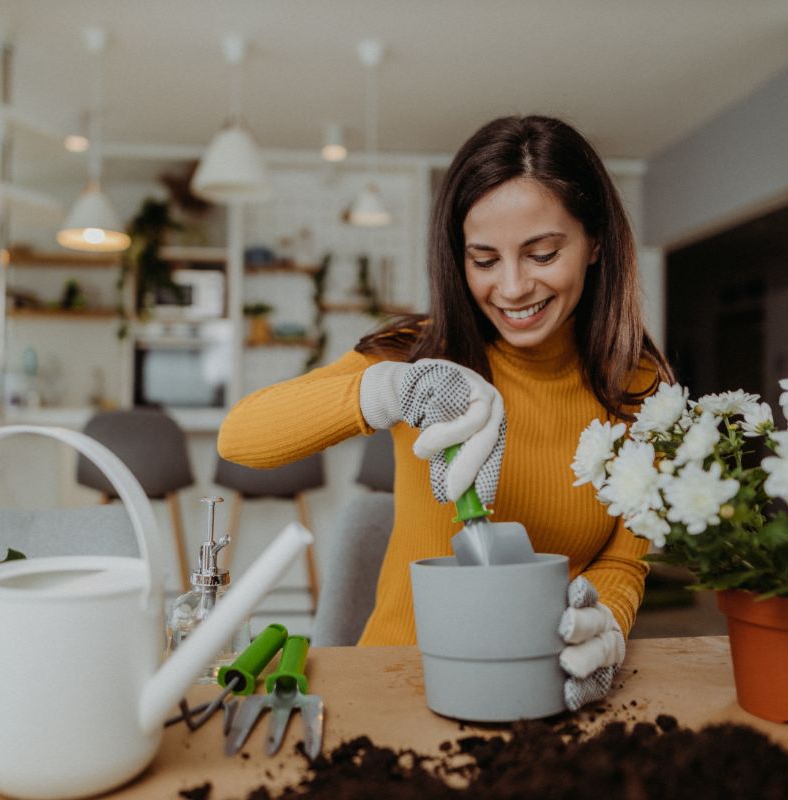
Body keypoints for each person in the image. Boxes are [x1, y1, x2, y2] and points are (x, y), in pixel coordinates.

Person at [218, 115, 671, 709]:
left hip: (542, 690)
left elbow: (622, 559)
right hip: (394, 683)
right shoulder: (420, 356)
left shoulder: (639, 387)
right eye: (484, 260)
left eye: (541, 254)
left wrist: (603, 625)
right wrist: (388, 391)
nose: (511, 288)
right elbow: (240, 438)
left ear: (595, 244)